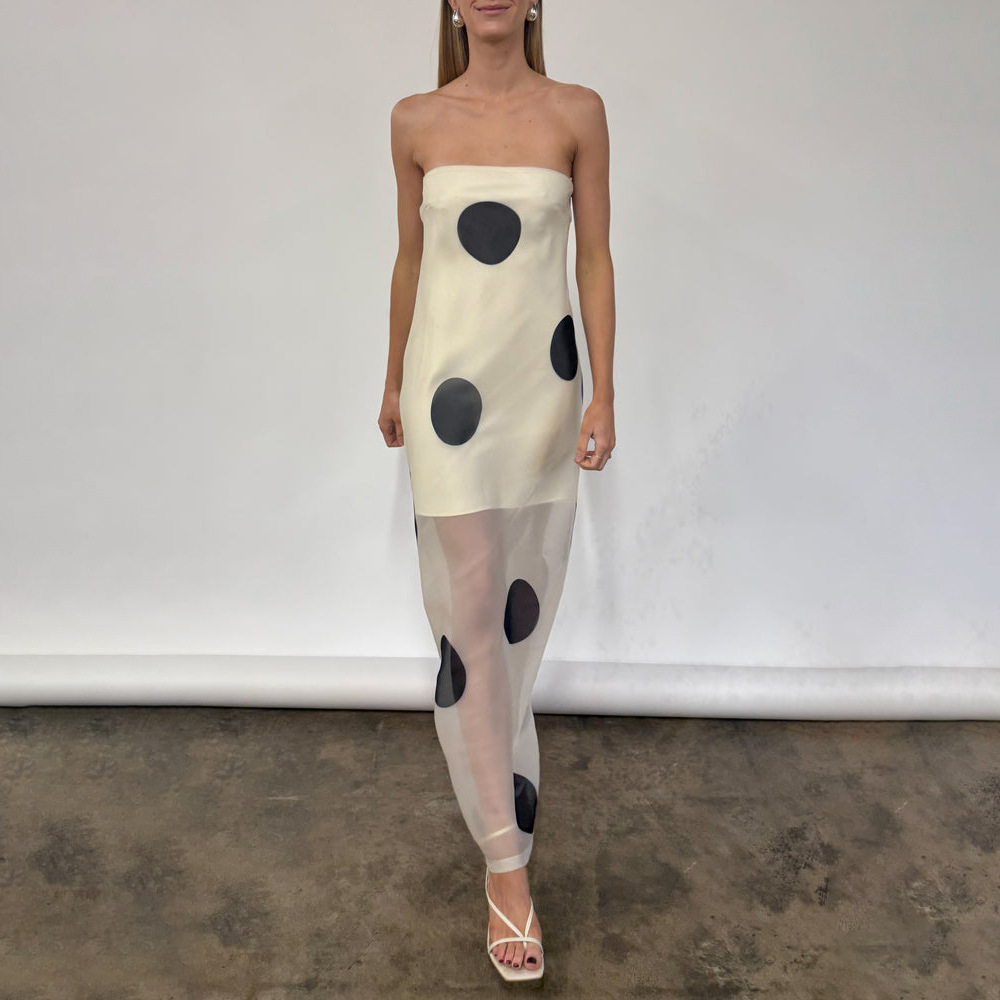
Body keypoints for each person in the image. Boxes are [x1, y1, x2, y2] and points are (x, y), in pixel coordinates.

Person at [377, 0, 615, 982]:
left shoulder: (577, 111)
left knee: (518, 614)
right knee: (469, 610)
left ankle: (500, 804)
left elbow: (593, 256)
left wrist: (605, 388)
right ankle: (506, 869)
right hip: (447, 392)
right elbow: (411, 258)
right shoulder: (415, 120)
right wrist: (391, 378)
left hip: (536, 389)